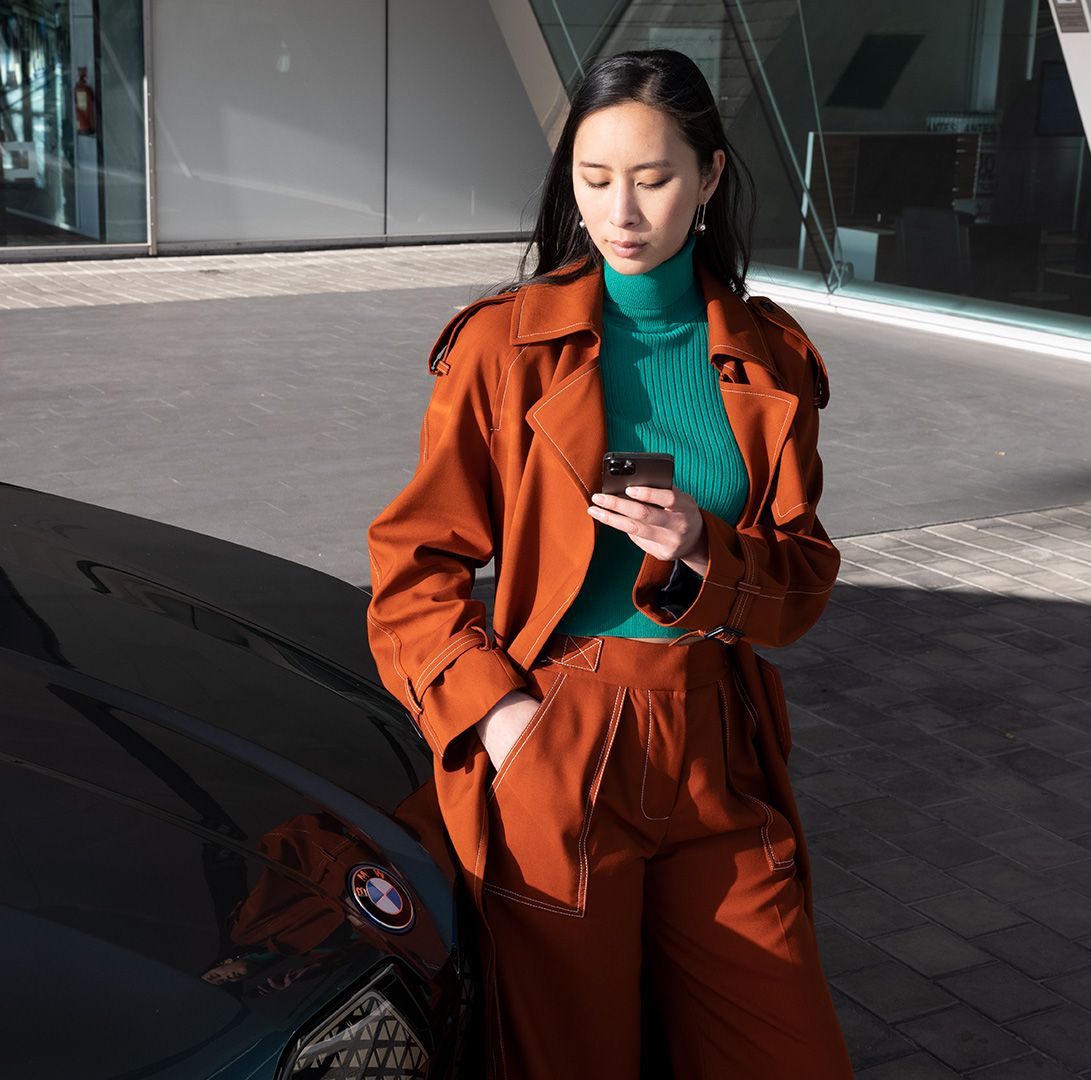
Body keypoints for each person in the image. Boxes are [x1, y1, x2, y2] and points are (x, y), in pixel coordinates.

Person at [365, 49, 853, 1079]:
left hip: (717, 741)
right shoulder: (506, 346)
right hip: (561, 736)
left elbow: (800, 584)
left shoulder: (770, 358)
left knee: (790, 1051)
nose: (620, 212)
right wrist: (505, 726)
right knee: (572, 1060)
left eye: (653, 177)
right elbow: (415, 570)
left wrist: (703, 556)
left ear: (711, 177)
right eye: (594, 181)